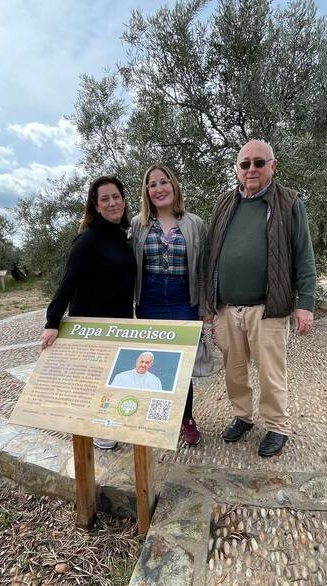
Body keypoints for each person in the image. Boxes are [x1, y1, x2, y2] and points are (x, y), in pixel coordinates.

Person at [206, 140, 316, 458]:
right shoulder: (224, 203)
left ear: (273, 166)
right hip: (227, 308)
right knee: (234, 371)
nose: (251, 169)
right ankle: (242, 416)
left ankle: (277, 425)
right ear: (237, 169)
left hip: (267, 308)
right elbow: (210, 253)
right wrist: (207, 303)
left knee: (271, 373)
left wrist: (305, 304)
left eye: (258, 162)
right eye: (245, 164)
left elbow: (303, 255)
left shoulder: (288, 202)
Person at [41, 176, 135, 451]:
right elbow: (67, 283)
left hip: (119, 323)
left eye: (116, 197)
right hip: (92, 325)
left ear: (124, 201)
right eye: (105, 199)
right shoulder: (87, 240)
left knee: (114, 377)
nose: (112, 203)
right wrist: (52, 322)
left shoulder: (123, 236)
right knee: (96, 380)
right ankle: (100, 431)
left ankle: (110, 422)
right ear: (95, 206)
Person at [131, 165, 207, 445]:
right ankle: (158, 416)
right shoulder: (137, 225)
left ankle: (186, 418)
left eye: (164, 182)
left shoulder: (194, 223)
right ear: (146, 191)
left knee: (182, 366)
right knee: (154, 361)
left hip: (183, 300)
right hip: (149, 301)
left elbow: (203, 268)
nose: (159, 189)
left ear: (174, 186)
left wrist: (204, 307)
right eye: (152, 184)